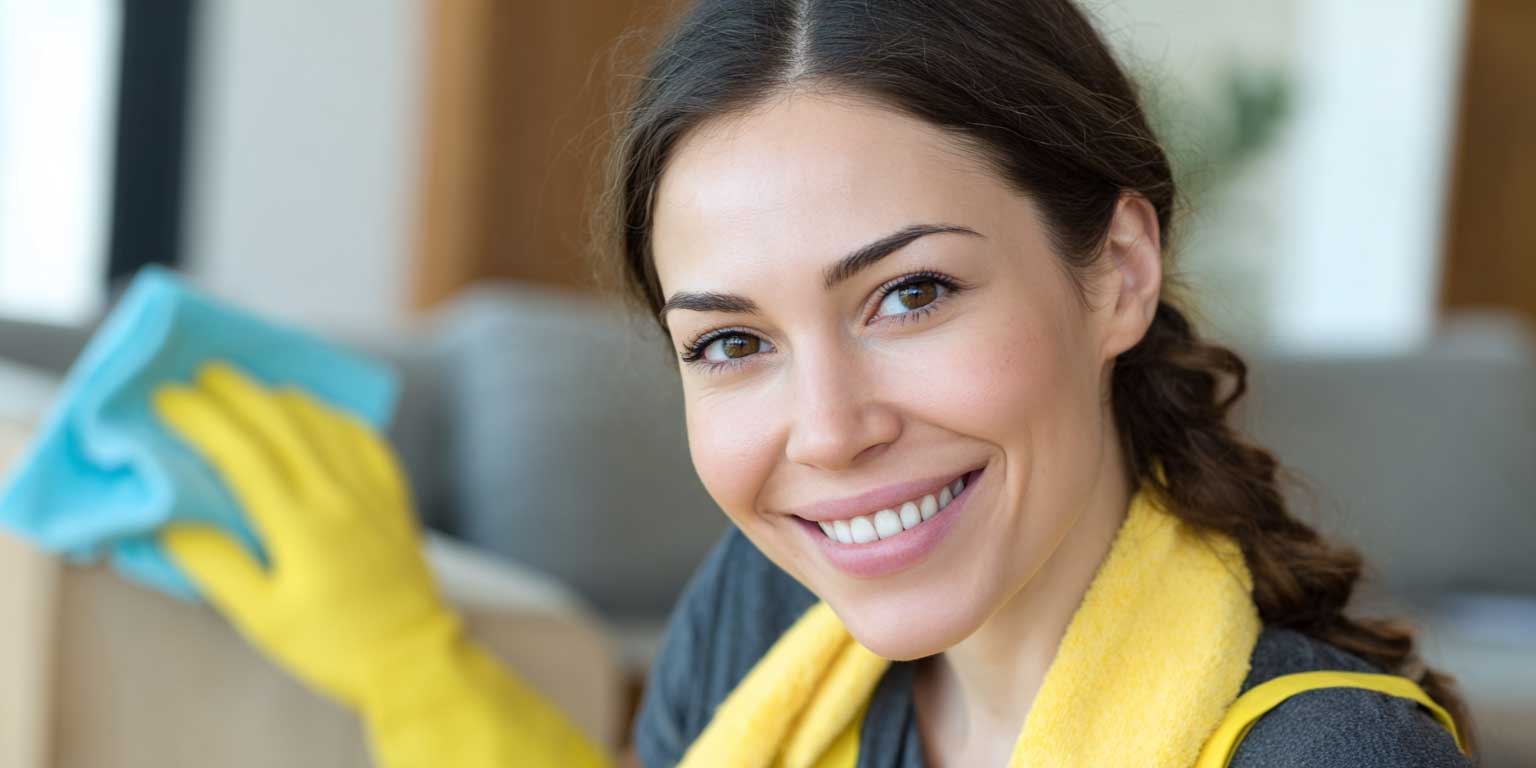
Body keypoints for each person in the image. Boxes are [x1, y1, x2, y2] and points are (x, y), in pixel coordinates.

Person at [154, 1, 1476, 766]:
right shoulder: (770, 621)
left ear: (1117, 274)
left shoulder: (1327, 758)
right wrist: (411, 664)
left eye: (912, 294)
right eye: (733, 344)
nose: (831, 433)